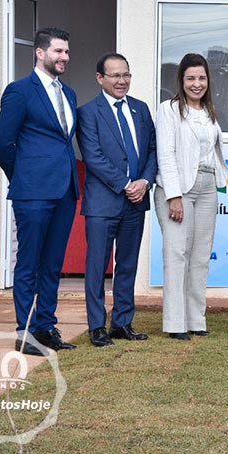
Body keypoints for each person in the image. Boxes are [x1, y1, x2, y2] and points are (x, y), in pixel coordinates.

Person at [0, 27, 78, 356]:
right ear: (40, 53)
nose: (64, 57)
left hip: (64, 191)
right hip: (32, 193)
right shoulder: (19, 91)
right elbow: (2, 143)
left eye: (66, 51)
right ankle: (25, 332)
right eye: (58, 51)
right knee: (29, 263)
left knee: (53, 264)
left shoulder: (69, 93)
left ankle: (46, 327)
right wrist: (23, 177)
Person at [76, 53, 157, 347]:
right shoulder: (88, 113)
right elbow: (93, 156)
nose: (122, 81)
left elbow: (153, 150)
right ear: (100, 78)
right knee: (97, 266)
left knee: (127, 264)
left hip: (136, 201)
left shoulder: (140, 109)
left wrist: (144, 182)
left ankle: (122, 322)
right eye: (115, 76)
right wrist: (125, 184)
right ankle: (97, 326)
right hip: (103, 202)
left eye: (126, 75)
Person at [155, 53, 228, 340]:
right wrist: (173, 196)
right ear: (181, 81)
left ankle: (196, 320)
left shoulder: (209, 111)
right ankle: (175, 323)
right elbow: (166, 154)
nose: (196, 84)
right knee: (177, 255)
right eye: (190, 78)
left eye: (201, 78)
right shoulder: (169, 109)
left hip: (208, 186)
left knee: (200, 257)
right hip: (179, 188)